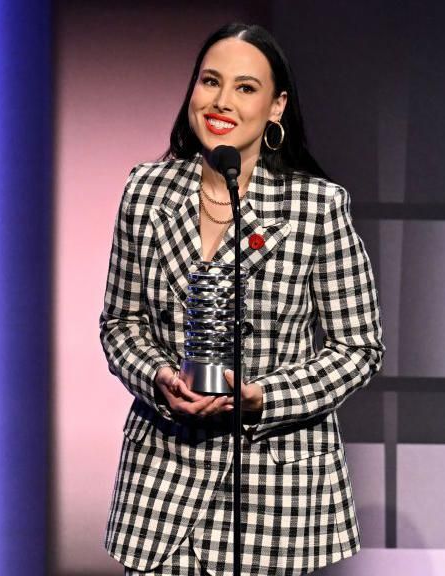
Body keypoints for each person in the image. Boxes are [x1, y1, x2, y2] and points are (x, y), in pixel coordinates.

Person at [100, 22, 384, 576]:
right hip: (162, 488)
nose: (222, 101)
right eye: (210, 81)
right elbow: (120, 323)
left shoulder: (317, 206)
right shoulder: (145, 190)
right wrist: (158, 376)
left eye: (245, 88)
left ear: (276, 107)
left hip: (273, 495)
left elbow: (358, 348)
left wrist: (263, 397)